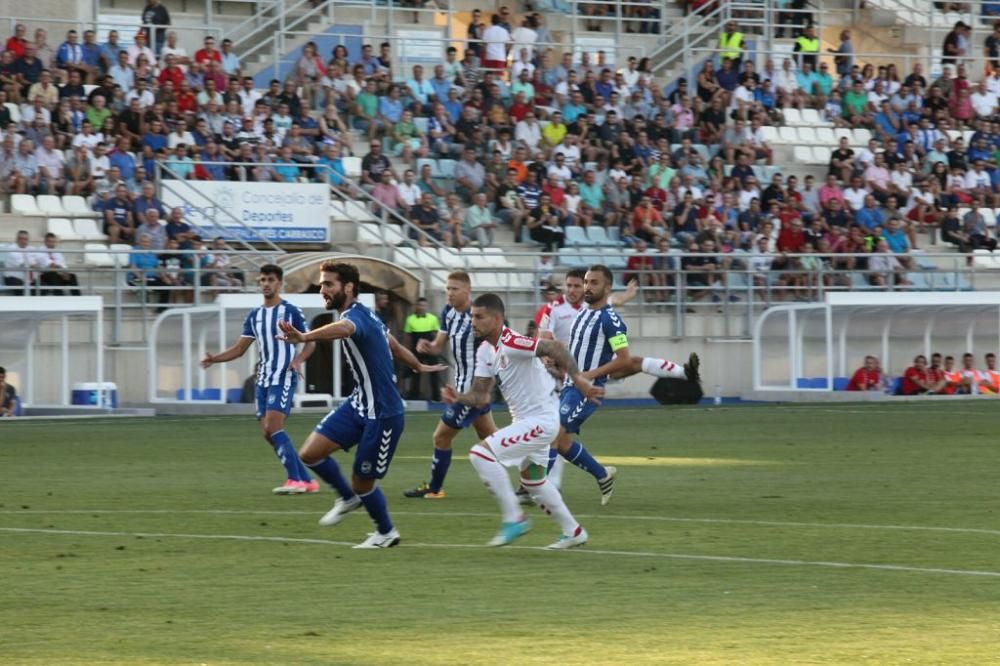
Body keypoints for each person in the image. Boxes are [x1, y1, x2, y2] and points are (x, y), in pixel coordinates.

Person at [276, 262, 445, 549]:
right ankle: (347, 498)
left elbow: (344, 329)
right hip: (358, 404)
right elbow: (393, 345)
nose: (323, 289)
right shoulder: (371, 316)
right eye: (321, 284)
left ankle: (386, 532)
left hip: (383, 413)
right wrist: (416, 364)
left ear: (349, 287)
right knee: (310, 453)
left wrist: (305, 336)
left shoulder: (356, 318)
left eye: (329, 284)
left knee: (363, 481)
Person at [441, 292, 597, 549]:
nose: (473, 322)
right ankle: (574, 531)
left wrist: (578, 378)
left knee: (480, 455)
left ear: (497, 318)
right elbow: (480, 396)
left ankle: (515, 518)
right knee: (533, 481)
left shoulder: (512, 341)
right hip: (527, 421)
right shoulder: (484, 351)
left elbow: (554, 347)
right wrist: (458, 397)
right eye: (472, 317)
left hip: (542, 420)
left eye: (479, 317)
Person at [539, 265, 699, 503]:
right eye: (586, 282)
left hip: (587, 390)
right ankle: (603, 475)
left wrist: (587, 375)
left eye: (594, 282)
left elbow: (624, 358)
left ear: (607, 287)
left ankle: (538, 489)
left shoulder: (611, 319)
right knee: (561, 443)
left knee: (553, 433)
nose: (587, 287)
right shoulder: (583, 310)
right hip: (572, 384)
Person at [200, 264, 319, 495]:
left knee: (274, 426)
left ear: (280, 283)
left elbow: (310, 341)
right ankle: (306, 480)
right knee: (267, 432)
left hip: (282, 376)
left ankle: (295, 479)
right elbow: (240, 348)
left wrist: (298, 360)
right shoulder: (255, 316)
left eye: (271, 279)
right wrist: (215, 358)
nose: (266, 283)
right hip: (262, 379)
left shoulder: (291, 311)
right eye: (262, 280)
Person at [404, 271, 499, 499]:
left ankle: (435, 488)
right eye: (447, 288)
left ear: (468, 291)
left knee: (441, 437)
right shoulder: (448, 312)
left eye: (455, 289)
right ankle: (532, 472)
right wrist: (428, 346)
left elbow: (493, 354)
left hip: (471, 390)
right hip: (459, 387)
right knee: (493, 439)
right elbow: (439, 346)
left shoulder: (478, 317)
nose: (449, 293)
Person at [403, 297, 442, 401]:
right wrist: (407, 351)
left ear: (426, 307)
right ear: (416, 306)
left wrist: (435, 347)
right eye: (420, 305)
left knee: (435, 372)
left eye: (424, 305)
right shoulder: (410, 319)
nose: (422, 307)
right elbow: (407, 336)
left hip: (430, 347)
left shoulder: (433, 318)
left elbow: (436, 334)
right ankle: (415, 395)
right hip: (416, 349)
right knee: (416, 372)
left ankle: (436, 396)